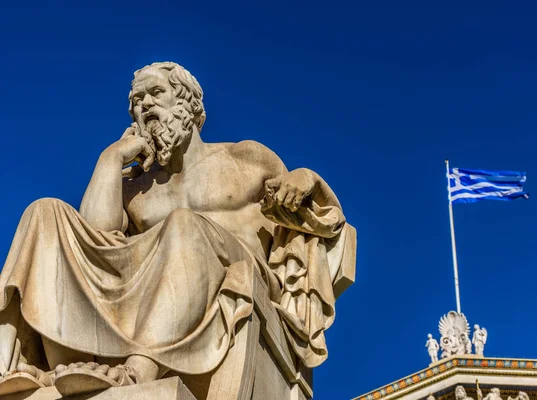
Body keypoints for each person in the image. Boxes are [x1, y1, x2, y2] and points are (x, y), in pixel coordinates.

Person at [0, 62, 352, 396]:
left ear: (187, 102)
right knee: (43, 212)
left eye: (155, 92)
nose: (145, 104)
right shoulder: (135, 188)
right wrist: (111, 158)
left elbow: (311, 212)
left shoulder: (243, 158)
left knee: (183, 223)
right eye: (137, 101)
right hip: (150, 288)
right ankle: (53, 367)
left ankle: (138, 371)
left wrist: (305, 179)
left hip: (236, 273)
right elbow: (92, 239)